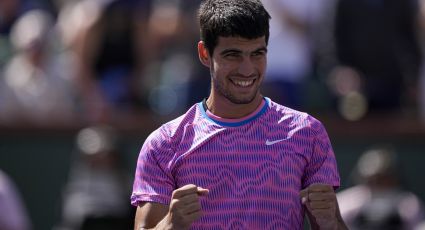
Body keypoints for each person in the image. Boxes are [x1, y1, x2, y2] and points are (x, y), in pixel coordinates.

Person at [131, 0, 347, 229]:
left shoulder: (308, 133)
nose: (247, 69)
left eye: (257, 54)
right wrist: (171, 224)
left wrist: (330, 223)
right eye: (233, 55)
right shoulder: (163, 143)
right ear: (205, 54)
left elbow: (332, 224)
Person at [337, 145, 425, 230]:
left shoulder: (409, 204)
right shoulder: (349, 202)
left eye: (382, 178)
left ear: (394, 178)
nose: (376, 182)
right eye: (372, 179)